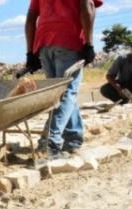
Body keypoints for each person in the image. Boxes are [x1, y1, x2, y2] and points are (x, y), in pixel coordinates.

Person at [25, 0, 102, 159]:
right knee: (66, 93)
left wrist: (30, 53)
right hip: (68, 40)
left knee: (60, 93)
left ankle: (73, 139)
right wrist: (89, 43)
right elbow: (88, 6)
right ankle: (49, 142)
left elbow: (31, 19)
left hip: (44, 45)